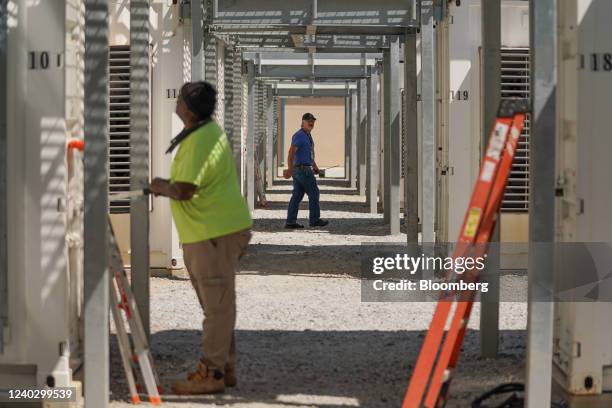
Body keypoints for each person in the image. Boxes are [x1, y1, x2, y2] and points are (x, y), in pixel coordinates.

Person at [149, 81, 253, 395]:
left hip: (213, 234)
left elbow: (184, 189)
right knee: (217, 304)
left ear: (187, 108)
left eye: (179, 98)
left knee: (216, 308)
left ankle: (212, 373)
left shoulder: (200, 140)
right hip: (209, 232)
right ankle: (225, 369)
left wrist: (158, 185)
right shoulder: (205, 134)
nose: (176, 102)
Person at [283, 113, 328, 229]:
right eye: (308, 121)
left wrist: (315, 166)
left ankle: (290, 222)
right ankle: (314, 219)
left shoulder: (307, 136)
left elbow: (308, 155)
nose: (311, 123)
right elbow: (291, 153)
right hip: (303, 170)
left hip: (302, 169)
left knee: (297, 196)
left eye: (313, 121)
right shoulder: (299, 136)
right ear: (303, 122)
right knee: (314, 193)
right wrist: (289, 169)